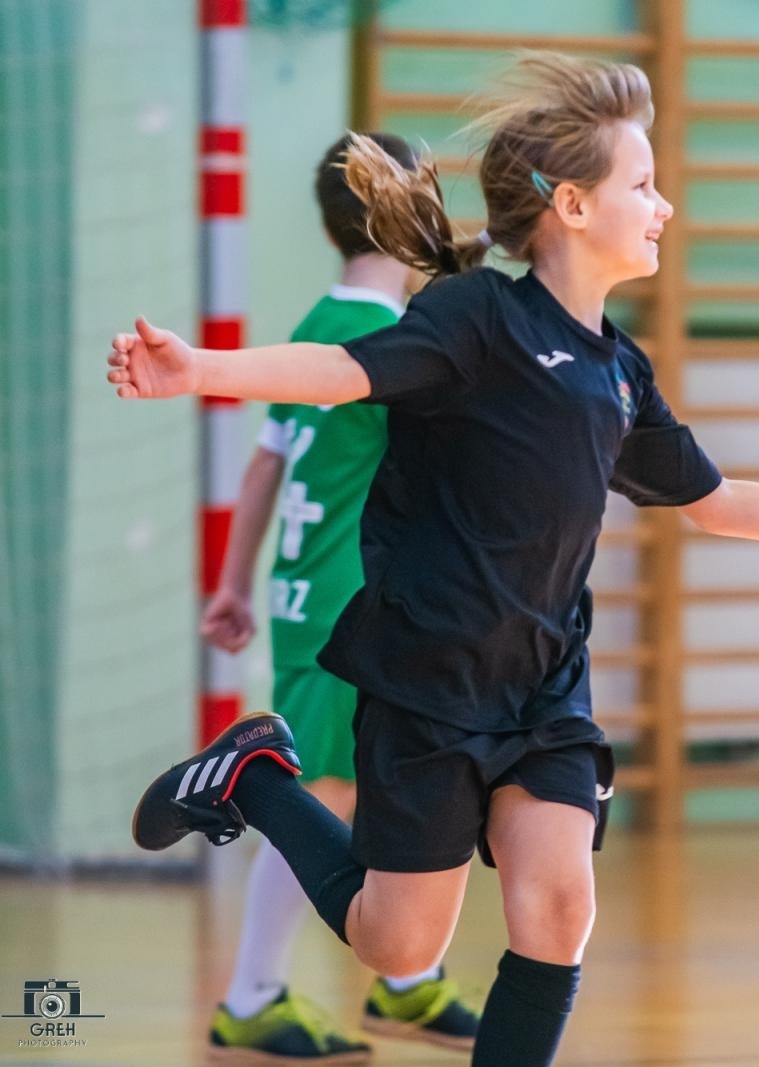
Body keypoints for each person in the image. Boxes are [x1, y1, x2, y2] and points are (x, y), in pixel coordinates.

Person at [111, 52, 759, 1067]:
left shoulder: (618, 372)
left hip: (544, 689)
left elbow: (716, 499)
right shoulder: (475, 320)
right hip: (430, 682)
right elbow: (342, 372)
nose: (662, 204)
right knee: (400, 938)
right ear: (570, 202)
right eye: (641, 184)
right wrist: (199, 370)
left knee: (559, 905)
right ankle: (253, 773)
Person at [201, 133, 479, 1062]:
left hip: (304, 591)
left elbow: (263, 466)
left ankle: (403, 981)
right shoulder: (387, 339)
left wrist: (236, 585)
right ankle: (252, 993)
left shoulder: (321, 319)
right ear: (408, 212)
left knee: (372, 781)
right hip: (341, 601)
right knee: (323, 790)